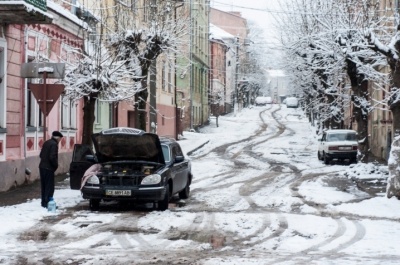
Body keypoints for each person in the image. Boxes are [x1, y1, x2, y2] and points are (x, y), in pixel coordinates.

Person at [39, 131, 63, 208]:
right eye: (60, 139)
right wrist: (55, 165)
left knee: (44, 185)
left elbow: (41, 155)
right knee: (49, 187)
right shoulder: (54, 144)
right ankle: (48, 203)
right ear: (58, 138)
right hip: (49, 168)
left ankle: (43, 202)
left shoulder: (47, 142)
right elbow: (52, 157)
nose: (60, 141)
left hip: (42, 167)